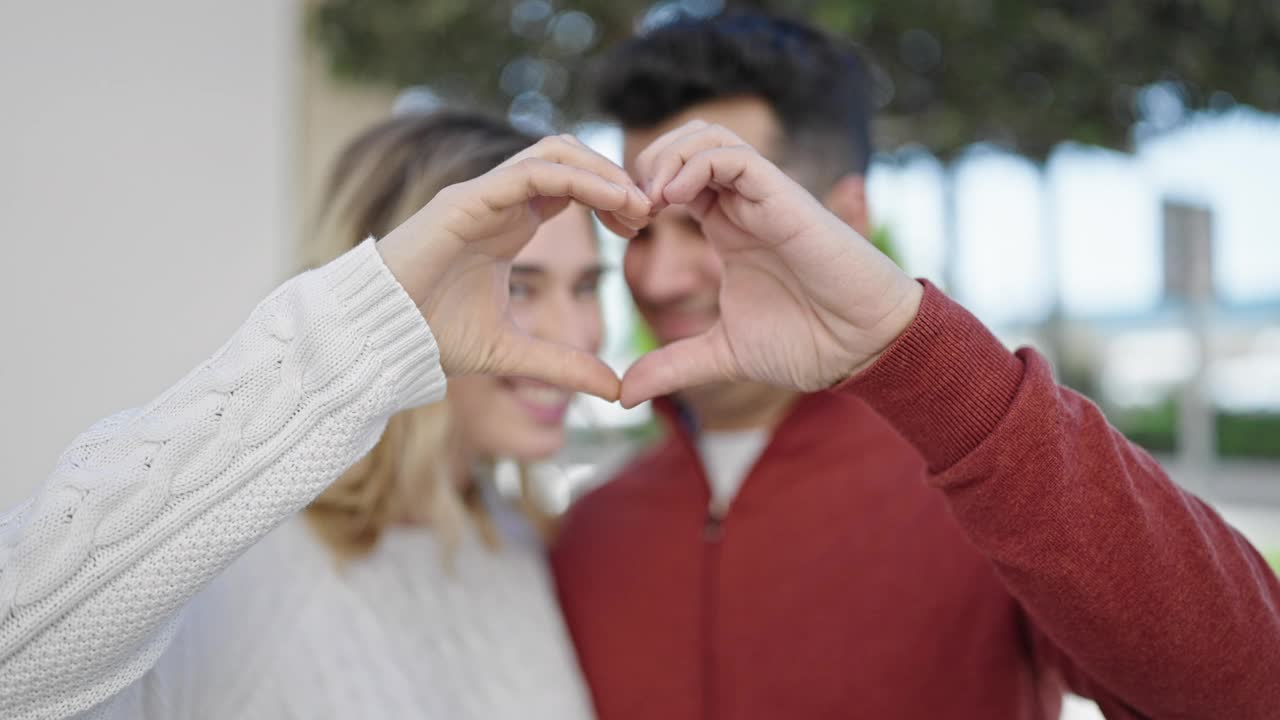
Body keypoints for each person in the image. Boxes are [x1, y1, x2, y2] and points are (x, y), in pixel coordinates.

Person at [551, 13, 1280, 720]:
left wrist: (928, 360)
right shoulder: (588, 531)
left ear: (846, 217)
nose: (660, 277)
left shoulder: (1001, 496)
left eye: (709, 216)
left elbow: (1251, 690)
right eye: (639, 230)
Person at [0, 112, 653, 719]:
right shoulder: (235, 575)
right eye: (519, 286)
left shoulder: (515, 543)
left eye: (588, 286)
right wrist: (352, 343)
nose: (579, 332)